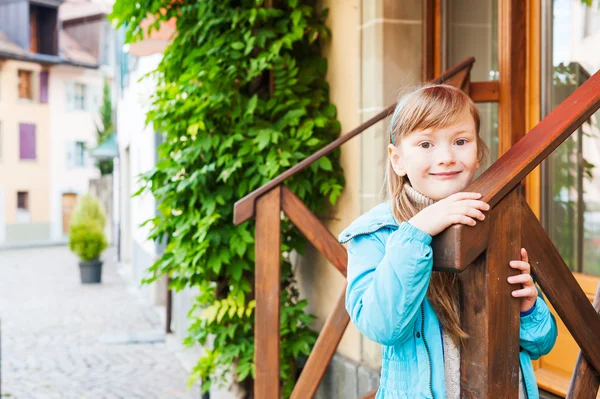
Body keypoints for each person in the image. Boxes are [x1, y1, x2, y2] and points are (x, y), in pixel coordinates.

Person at [338, 84, 558, 399]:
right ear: (397, 159)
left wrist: (528, 309)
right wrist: (417, 231)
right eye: (426, 143)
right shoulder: (375, 234)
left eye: (460, 141)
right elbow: (382, 326)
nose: (446, 157)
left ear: (479, 151)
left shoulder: (497, 222)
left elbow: (541, 344)